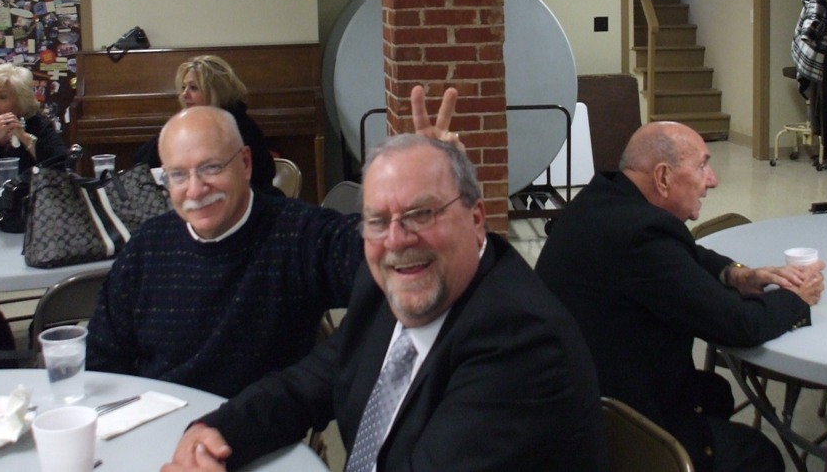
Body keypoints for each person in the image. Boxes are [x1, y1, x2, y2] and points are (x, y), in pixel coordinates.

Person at [161, 133, 607, 472]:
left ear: (476, 220)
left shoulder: (519, 340)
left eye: (421, 213)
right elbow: (302, 387)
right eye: (377, 221)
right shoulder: (383, 291)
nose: (396, 240)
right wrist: (214, 433)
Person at [535, 121, 825, 472]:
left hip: (580, 402)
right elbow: (740, 325)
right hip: (618, 431)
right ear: (663, 177)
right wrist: (797, 297)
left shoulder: (605, 200)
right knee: (760, 454)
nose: (713, 180)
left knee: (715, 393)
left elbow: (684, 252)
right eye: (702, 166)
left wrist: (735, 273)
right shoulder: (643, 237)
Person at [87, 105, 363, 397]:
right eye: (178, 175)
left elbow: (379, 260)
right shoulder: (146, 248)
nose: (195, 190)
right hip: (159, 418)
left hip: (258, 420)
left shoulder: (300, 234)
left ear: (245, 163)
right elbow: (101, 359)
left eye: (211, 168)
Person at [0, 63, 68, 359]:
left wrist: (25, 138)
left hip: (30, 223)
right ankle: (0, 350)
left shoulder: (37, 124)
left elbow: (60, 168)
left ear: (20, 101)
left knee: (60, 283)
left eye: (2, 97)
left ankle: (42, 334)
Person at [132, 56, 279, 195]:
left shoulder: (240, 128)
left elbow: (245, 184)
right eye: (183, 87)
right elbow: (141, 161)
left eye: (193, 88)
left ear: (216, 91)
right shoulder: (192, 123)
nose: (184, 94)